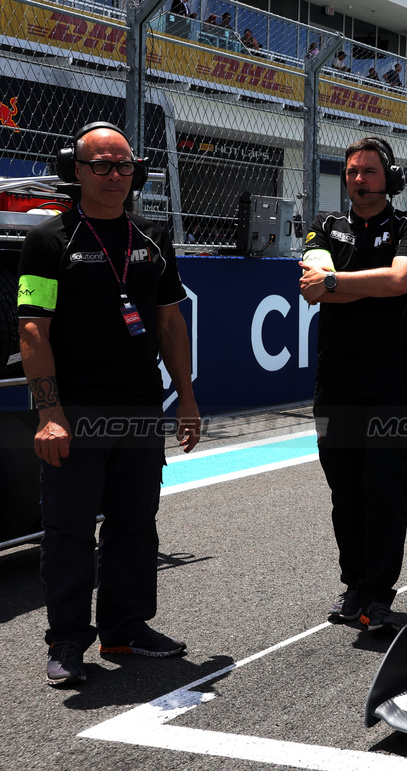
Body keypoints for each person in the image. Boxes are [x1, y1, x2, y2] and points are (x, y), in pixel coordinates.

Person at [17, 122, 200, 686]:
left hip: (140, 409)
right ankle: (68, 641)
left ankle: (125, 627)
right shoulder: (49, 240)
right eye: (102, 165)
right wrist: (49, 414)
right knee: (69, 531)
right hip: (74, 411)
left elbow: (170, 320)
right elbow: (32, 327)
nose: (115, 175)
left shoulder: (150, 238)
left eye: (124, 166)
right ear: (77, 169)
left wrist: (186, 399)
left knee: (134, 525)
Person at [299, 137, 407, 631]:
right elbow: (316, 287)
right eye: (352, 171)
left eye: (369, 171)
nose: (358, 179)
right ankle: (354, 584)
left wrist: (341, 283)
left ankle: (377, 594)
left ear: (390, 178)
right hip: (336, 378)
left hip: (395, 379)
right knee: (345, 488)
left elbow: (399, 280)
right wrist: (380, 283)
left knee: (387, 487)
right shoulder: (323, 225)